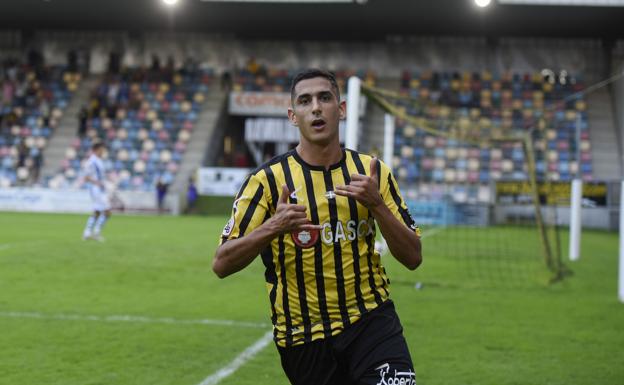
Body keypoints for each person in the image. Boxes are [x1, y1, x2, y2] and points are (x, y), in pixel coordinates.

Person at [212, 69, 422, 385]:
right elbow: (222, 263)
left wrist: (377, 205)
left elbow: (413, 257)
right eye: (305, 101)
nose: (316, 107)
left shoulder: (371, 172)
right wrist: (273, 227)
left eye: (325, 98)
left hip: (371, 321)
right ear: (293, 116)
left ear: (341, 109)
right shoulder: (266, 181)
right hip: (304, 336)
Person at [82, 142, 111, 242]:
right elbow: (86, 177)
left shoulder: (98, 161)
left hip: (100, 189)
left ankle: (88, 233)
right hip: (95, 189)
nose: (103, 151)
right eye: (101, 149)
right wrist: (97, 182)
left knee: (98, 211)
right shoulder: (91, 161)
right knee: (106, 211)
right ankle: (96, 233)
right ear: (96, 150)